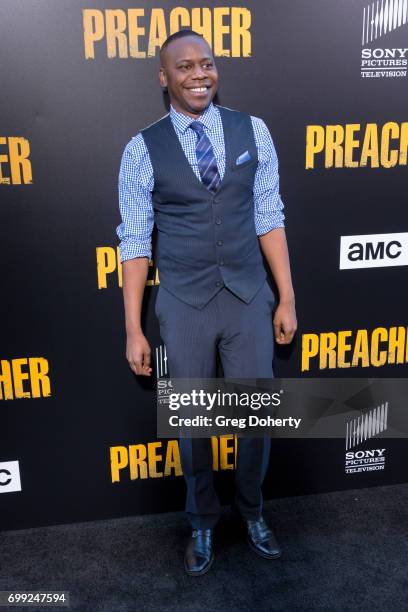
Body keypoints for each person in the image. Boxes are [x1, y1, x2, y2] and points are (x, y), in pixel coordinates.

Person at [116, 29, 297, 576]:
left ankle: (253, 511)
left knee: (256, 419)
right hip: (185, 301)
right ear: (164, 76)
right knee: (193, 424)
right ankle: (200, 521)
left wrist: (286, 296)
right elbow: (134, 239)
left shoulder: (253, 130)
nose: (199, 74)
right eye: (185, 66)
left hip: (247, 297)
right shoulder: (142, 147)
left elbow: (269, 215)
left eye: (207, 64)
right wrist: (133, 328)